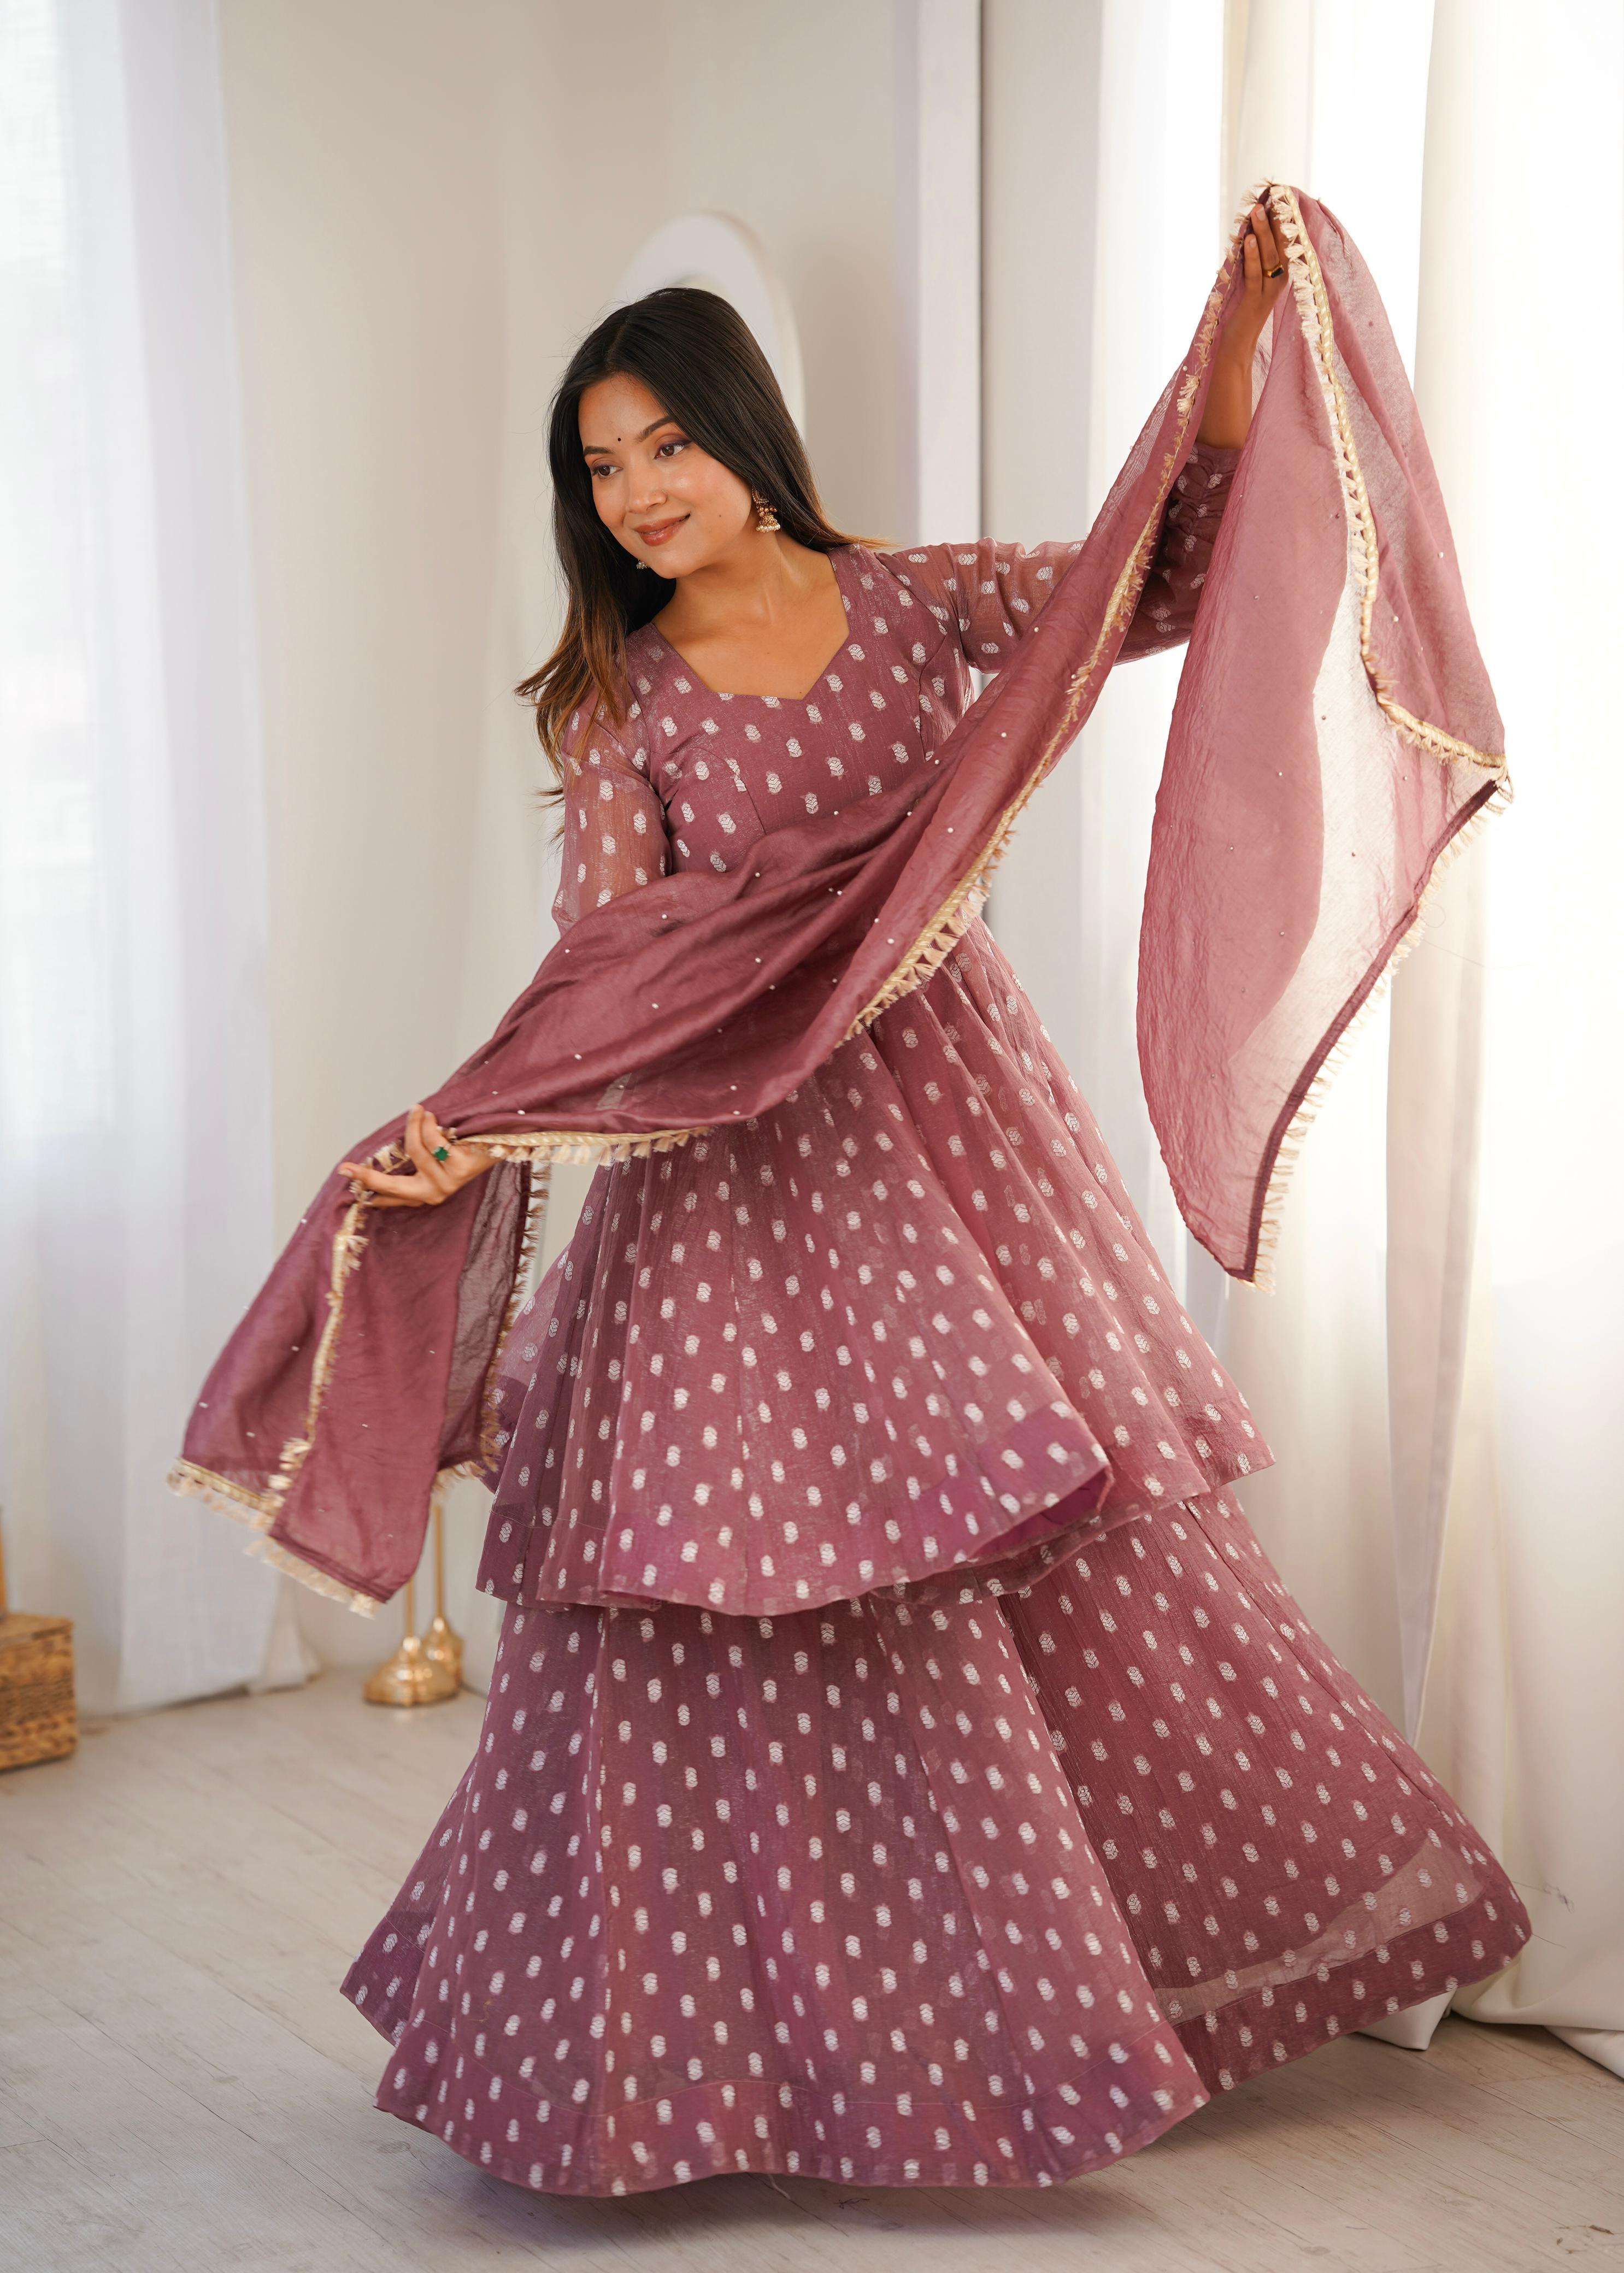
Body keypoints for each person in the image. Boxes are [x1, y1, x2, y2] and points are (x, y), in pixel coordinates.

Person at [321, 201, 1526, 2195]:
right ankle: (692, 2060)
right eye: (599, 469)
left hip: (951, 1138)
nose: (636, 496)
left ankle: (1070, 1999)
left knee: (1028, 1536)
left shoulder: (914, 600)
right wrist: (479, 1120)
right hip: (726, 1180)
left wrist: (1232, 348)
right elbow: (610, 957)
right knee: (710, 1582)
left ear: (744, 436)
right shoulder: (620, 696)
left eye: (664, 446)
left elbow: (1160, 577)